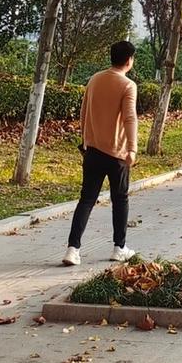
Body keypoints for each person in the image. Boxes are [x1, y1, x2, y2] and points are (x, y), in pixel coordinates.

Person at [62, 40, 139, 266]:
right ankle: (119, 247)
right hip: (118, 155)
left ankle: (72, 249)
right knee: (120, 199)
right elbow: (129, 118)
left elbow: (84, 112)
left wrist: (86, 141)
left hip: (93, 151)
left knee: (86, 199)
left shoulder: (94, 79)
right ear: (128, 61)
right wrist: (132, 148)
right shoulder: (128, 85)